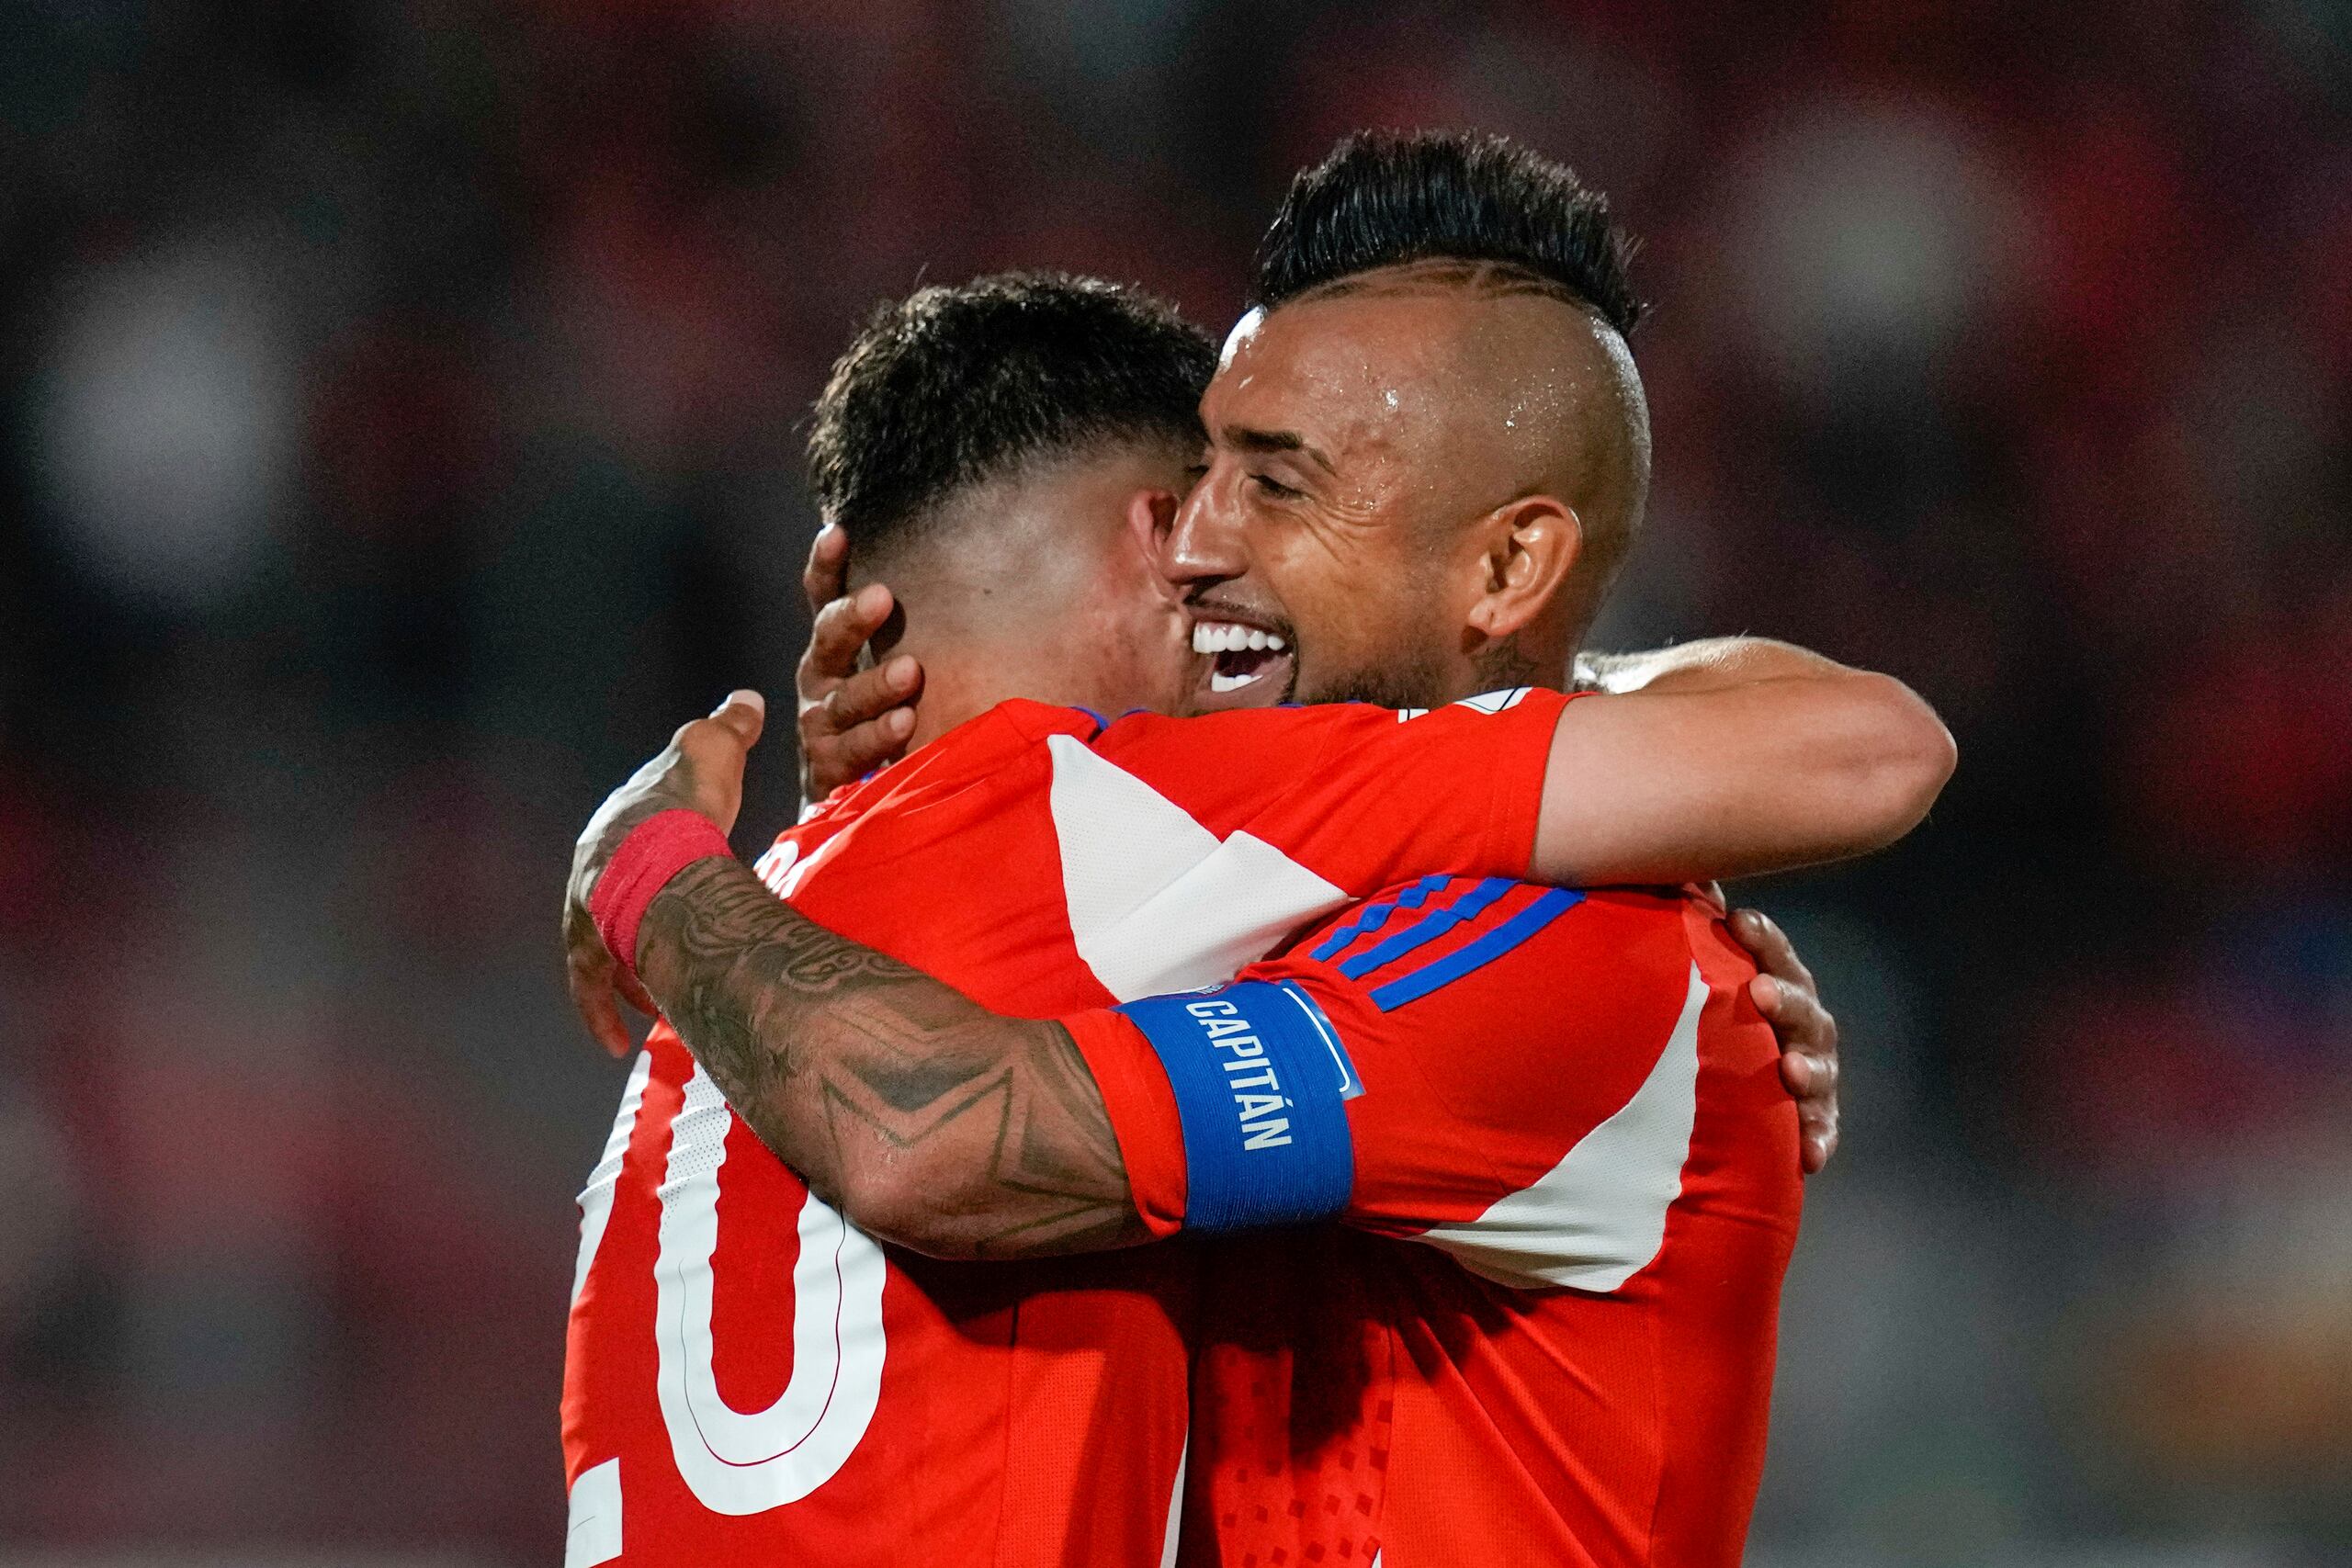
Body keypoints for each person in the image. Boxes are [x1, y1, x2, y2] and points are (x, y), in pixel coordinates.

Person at [561, 170, 1947, 1566]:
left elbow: (941, 1137)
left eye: (1272, 485)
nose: (1199, 548)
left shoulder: (1563, 946)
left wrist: (653, 870)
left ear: (1508, 566)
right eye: (1199, 478)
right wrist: (906, 816)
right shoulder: (1216, 889)